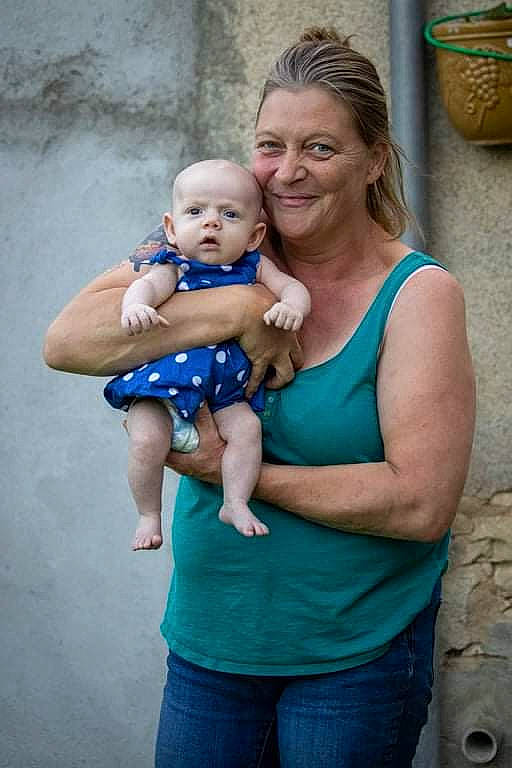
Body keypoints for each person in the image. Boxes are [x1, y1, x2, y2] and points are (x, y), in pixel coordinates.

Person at [44, 27, 475, 768]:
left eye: (320, 148)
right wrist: (242, 312)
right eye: (270, 145)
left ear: (374, 160)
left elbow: (419, 504)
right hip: (211, 642)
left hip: (352, 652)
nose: (286, 173)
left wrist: (231, 475)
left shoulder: (418, 294)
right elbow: (69, 341)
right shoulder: (220, 240)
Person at [104, 159, 310, 548]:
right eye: (195, 212)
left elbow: (293, 289)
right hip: (161, 387)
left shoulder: (254, 266)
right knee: (147, 440)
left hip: (223, 394)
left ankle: (235, 502)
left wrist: (293, 308)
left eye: (229, 215)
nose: (211, 223)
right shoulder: (174, 266)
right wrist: (135, 308)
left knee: (248, 430)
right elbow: (144, 289)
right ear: (171, 227)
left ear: (254, 235)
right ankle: (148, 514)